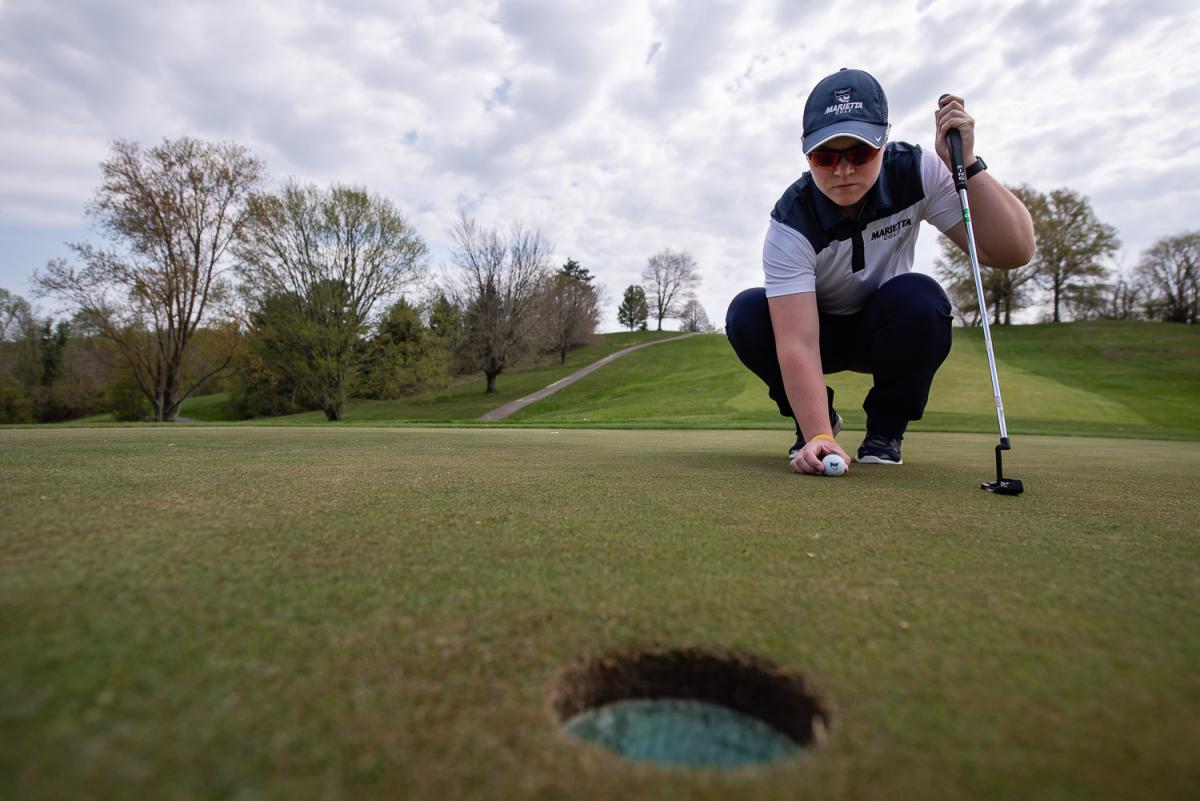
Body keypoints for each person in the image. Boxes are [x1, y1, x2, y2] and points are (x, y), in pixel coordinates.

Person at [725, 68, 1035, 475]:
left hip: (887, 329)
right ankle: (817, 421)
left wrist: (968, 165)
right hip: (820, 334)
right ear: (805, 152)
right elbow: (798, 342)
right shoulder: (790, 222)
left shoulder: (918, 171)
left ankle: (886, 430)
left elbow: (1012, 251)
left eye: (859, 153)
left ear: (883, 144)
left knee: (921, 299)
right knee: (747, 312)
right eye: (825, 156)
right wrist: (819, 434)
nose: (842, 171)